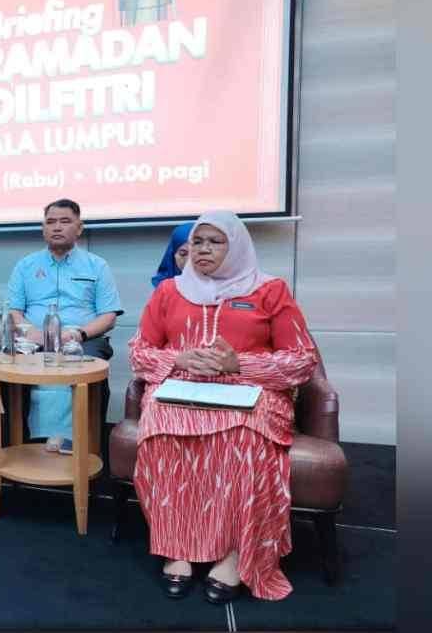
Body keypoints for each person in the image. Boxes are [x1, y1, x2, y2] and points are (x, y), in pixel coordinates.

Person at [128, 210, 318, 603]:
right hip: (181, 387)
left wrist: (240, 364)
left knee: (242, 438)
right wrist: (178, 360)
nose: (203, 250)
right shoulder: (169, 291)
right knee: (161, 428)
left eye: (215, 242)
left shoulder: (270, 290)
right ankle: (177, 546)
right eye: (197, 242)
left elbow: (302, 359)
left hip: (250, 392)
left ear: (237, 246)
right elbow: (140, 352)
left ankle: (234, 554)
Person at [6, 198, 123, 450]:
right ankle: (16, 441)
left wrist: (79, 334)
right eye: (51, 222)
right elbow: (14, 310)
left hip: (83, 339)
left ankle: (86, 445)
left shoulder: (97, 265)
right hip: (33, 337)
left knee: (91, 367)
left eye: (65, 221)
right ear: (43, 228)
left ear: (79, 228)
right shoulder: (25, 265)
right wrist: (32, 333)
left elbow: (108, 316)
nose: (57, 227)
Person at [151, 222, 195, 287]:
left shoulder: (214, 287)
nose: (189, 260)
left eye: (195, 253)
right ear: (173, 255)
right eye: (183, 254)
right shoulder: (164, 288)